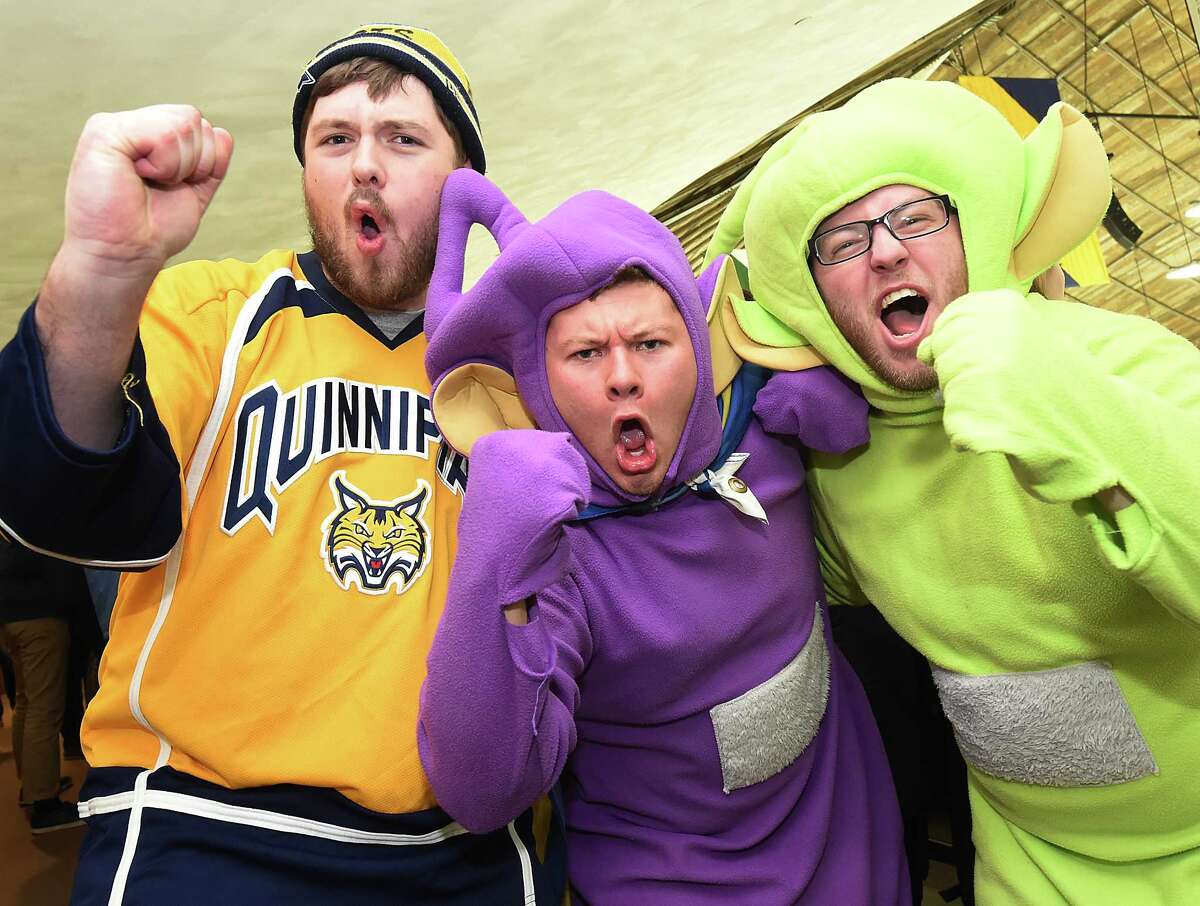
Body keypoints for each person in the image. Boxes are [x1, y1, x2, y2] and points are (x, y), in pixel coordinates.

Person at [0, 24, 564, 904]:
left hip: (461, 847)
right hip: (210, 837)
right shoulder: (217, 311)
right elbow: (58, 496)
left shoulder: (511, 370)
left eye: (402, 138)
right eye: (334, 139)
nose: (363, 166)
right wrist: (99, 274)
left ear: (466, 185)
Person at [705, 77, 1200, 904]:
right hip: (1035, 859)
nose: (888, 251)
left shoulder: (1115, 355)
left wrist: (1078, 413)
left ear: (973, 221)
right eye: (844, 240)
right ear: (813, 298)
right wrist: (746, 447)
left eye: (917, 217)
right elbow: (787, 601)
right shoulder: (838, 460)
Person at [416, 168, 909, 904]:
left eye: (651, 342)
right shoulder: (559, 559)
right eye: (584, 354)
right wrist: (495, 566)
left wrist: (830, 378)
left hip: (849, 845)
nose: (622, 377)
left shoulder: (763, 422)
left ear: (699, 344)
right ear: (539, 385)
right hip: (670, 884)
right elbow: (480, 791)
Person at [0, 536, 90, 833]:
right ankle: (44, 803)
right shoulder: (32, 507)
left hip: (11, 616)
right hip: (39, 615)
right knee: (44, 710)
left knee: (26, 704)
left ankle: (34, 785)